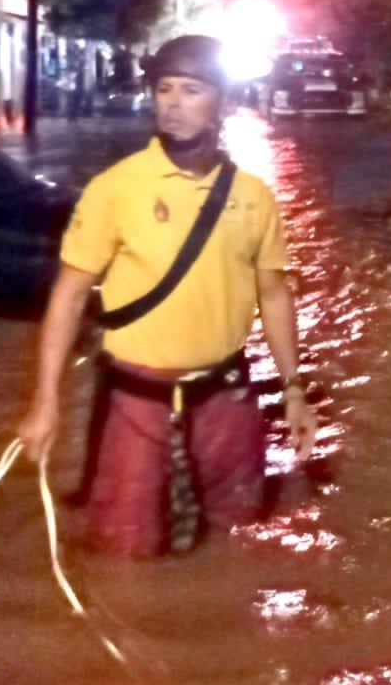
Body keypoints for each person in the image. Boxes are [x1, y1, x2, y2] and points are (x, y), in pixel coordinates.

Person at [16, 34, 318, 556]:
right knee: (124, 552)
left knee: (240, 542)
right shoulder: (116, 188)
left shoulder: (253, 198)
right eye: (164, 89)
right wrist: (46, 404)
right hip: (138, 402)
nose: (174, 104)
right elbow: (67, 297)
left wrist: (294, 391)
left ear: (221, 102)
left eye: (192, 90)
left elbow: (274, 296)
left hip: (226, 398)